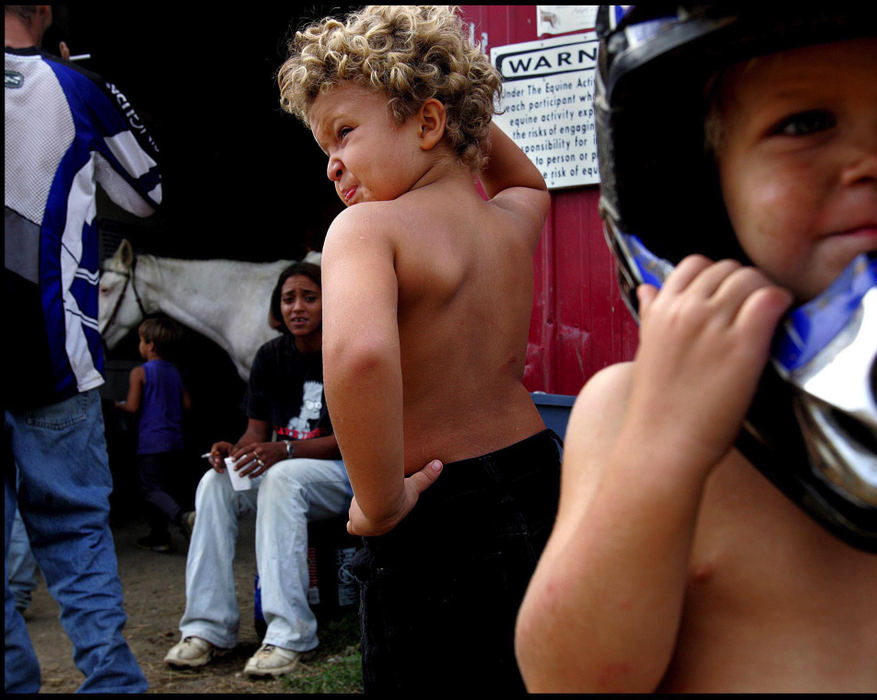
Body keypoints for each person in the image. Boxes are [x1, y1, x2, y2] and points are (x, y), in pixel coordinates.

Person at [514, 5, 877, 693]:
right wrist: (663, 446)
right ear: (702, 186)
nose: (875, 163)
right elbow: (568, 679)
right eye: (805, 123)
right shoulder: (629, 408)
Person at [277, 6, 561, 694]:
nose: (334, 164)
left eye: (344, 133)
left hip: (431, 506)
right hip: (536, 480)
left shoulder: (367, 229)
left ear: (428, 122)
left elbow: (361, 358)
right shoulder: (508, 222)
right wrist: (455, 101)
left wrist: (377, 503)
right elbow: (529, 181)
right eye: (324, 151)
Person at [5, 4, 161, 693]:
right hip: (54, 362)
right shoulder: (74, 88)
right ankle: (112, 684)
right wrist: (84, 81)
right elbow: (147, 191)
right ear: (42, 12)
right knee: (76, 540)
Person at [163, 259, 353, 679]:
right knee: (216, 482)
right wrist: (233, 450)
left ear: (329, 303)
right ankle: (207, 629)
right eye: (288, 299)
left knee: (282, 478)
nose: (298, 307)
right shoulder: (270, 357)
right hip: (287, 468)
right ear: (278, 308)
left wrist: (282, 451)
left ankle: (288, 634)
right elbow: (256, 434)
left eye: (309, 297)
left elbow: (351, 440)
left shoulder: (345, 349)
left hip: (345, 475)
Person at [115, 315, 193, 553]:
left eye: (140, 340)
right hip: (175, 440)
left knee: (151, 489)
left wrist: (114, 404)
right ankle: (159, 536)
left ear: (149, 345)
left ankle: (184, 518)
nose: (139, 345)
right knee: (165, 488)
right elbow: (187, 405)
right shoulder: (175, 372)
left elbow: (132, 406)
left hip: (151, 442)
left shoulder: (140, 372)